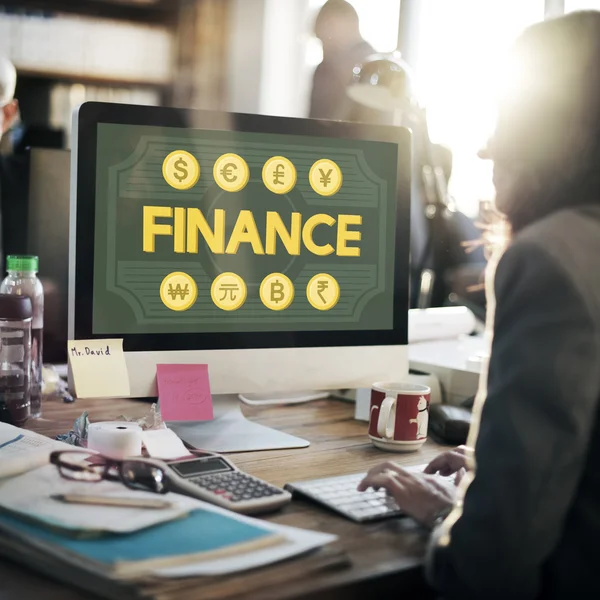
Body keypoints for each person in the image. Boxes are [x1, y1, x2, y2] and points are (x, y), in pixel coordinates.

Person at [358, 11, 600, 599]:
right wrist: (494, 474)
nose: (487, 147)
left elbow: (495, 558)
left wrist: (448, 517)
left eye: (505, 117)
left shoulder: (553, 257)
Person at [309, 0, 374, 121]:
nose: (324, 50)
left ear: (333, 24)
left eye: (323, 40)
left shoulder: (376, 72)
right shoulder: (324, 70)